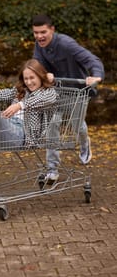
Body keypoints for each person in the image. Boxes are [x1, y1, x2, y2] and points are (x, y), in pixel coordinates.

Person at [32, 13, 105, 182]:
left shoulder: (66, 44)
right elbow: (36, 64)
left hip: (77, 91)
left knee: (77, 126)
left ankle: (85, 143)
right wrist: (41, 74)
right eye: (36, 33)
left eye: (43, 32)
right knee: (52, 124)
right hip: (56, 92)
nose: (39, 36)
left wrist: (96, 76)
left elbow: (92, 60)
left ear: (52, 30)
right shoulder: (38, 45)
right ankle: (52, 168)